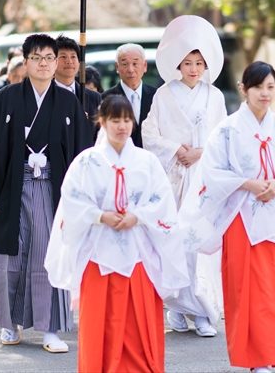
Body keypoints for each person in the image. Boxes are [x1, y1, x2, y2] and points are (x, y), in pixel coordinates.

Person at [178, 62, 275, 372]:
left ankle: (272, 354)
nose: (265, 93)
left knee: (274, 287)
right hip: (240, 218)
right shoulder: (228, 131)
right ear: (244, 89)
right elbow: (212, 173)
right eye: (259, 87)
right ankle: (256, 359)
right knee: (248, 290)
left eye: (271, 86)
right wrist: (248, 183)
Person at [45, 95, 189, 372]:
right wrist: (100, 216)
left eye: (126, 120)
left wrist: (139, 216)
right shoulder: (86, 162)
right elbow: (72, 202)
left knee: (138, 324)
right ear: (101, 121)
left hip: (139, 253)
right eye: (115, 120)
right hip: (98, 252)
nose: (122, 126)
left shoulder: (146, 161)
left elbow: (161, 201)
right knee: (101, 323)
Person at [0, 34, 92, 352]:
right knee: (11, 254)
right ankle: (10, 325)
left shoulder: (67, 102)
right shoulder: (7, 98)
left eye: (50, 57)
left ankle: (50, 328)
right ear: (25, 62)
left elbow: (81, 152)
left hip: (52, 188)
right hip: (13, 186)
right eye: (37, 57)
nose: (44, 63)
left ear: (56, 62)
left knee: (48, 256)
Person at [141, 15, 227, 337]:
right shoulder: (164, 95)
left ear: (206, 65)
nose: (193, 68)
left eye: (199, 62)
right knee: (174, 241)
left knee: (201, 244)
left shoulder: (214, 97)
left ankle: (204, 310)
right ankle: (177, 307)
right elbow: (149, 132)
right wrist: (177, 149)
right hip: (174, 178)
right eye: (188, 62)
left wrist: (201, 153)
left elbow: (222, 136)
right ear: (178, 64)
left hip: (202, 179)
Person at [102, 43, 156, 147]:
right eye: (125, 64)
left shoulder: (157, 96)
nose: (130, 70)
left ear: (144, 66)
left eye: (135, 64)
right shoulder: (105, 99)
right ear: (117, 67)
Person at [54, 35, 101, 122]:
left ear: (79, 63)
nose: (69, 61)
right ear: (53, 62)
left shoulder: (94, 98)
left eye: (73, 57)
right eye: (63, 57)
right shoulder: (44, 95)